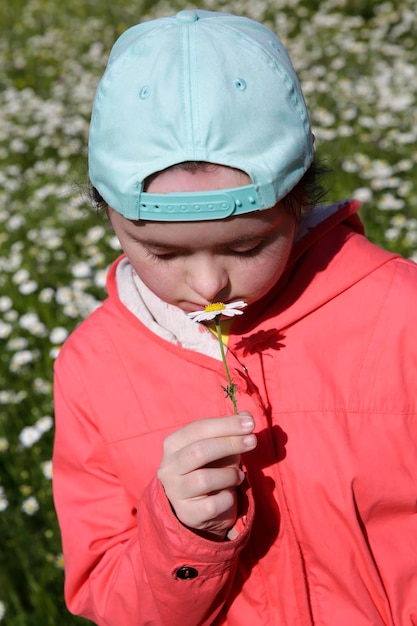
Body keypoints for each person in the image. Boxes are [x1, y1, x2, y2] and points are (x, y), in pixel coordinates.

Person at [52, 9, 417, 626]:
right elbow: (108, 597)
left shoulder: (401, 314)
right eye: (163, 253)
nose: (207, 283)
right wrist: (181, 535)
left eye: (247, 247)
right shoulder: (92, 369)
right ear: (109, 217)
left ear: (299, 200)